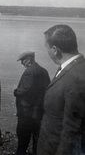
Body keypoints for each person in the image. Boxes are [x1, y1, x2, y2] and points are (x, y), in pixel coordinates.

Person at [37, 24, 85, 155]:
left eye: (46, 48)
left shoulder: (77, 78)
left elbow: (72, 130)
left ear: (55, 50)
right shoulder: (71, 68)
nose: (47, 52)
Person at [14, 51, 50, 155]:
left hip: (27, 111)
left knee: (23, 137)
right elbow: (47, 88)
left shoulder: (29, 71)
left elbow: (25, 89)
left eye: (22, 61)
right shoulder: (43, 71)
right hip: (38, 110)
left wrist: (16, 91)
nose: (22, 63)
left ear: (28, 59)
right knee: (36, 136)